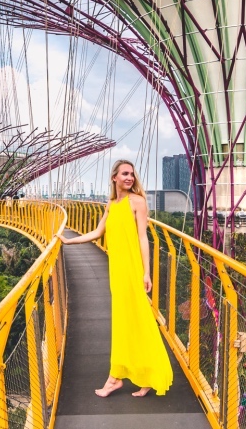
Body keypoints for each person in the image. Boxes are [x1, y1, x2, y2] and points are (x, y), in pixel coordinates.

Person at [57, 159, 173, 397]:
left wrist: (146, 272)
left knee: (137, 320)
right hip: (116, 271)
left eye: (132, 174)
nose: (129, 177)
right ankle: (139, 377)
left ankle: (118, 378)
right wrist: (69, 241)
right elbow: (98, 232)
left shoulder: (137, 202)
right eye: (124, 174)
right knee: (125, 322)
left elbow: (143, 238)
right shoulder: (111, 204)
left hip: (131, 270)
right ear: (114, 178)